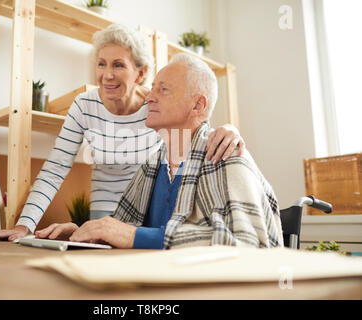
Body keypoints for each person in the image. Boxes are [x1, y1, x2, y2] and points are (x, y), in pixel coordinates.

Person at [0, 24, 246, 242]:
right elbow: (55, 168)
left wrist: (229, 129)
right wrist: (24, 226)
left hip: (148, 212)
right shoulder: (85, 105)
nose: (107, 75)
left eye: (118, 65)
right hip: (107, 209)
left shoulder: (156, 109)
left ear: (140, 73)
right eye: (101, 64)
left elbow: (193, 128)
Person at [66, 53, 284, 249]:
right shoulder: (151, 165)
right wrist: (83, 231)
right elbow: (119, 228)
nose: (149, 97)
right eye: (152, 88)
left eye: (163, 89)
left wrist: (136, 236)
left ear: (198, 106)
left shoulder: (226, 154)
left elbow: (246, 244)